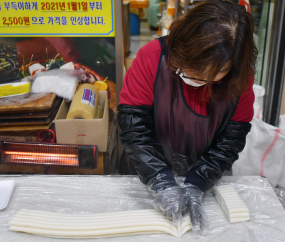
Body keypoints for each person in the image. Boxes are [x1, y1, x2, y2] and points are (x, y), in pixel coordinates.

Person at [118, 0, 257, 231]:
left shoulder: (240, 78)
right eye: (190, 69)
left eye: (211, 76)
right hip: (146, 172)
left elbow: (231, 140)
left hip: (207, 173)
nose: (197, 82)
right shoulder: (151, 58)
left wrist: (199, 181)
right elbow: (135, 130)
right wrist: (160, 180)